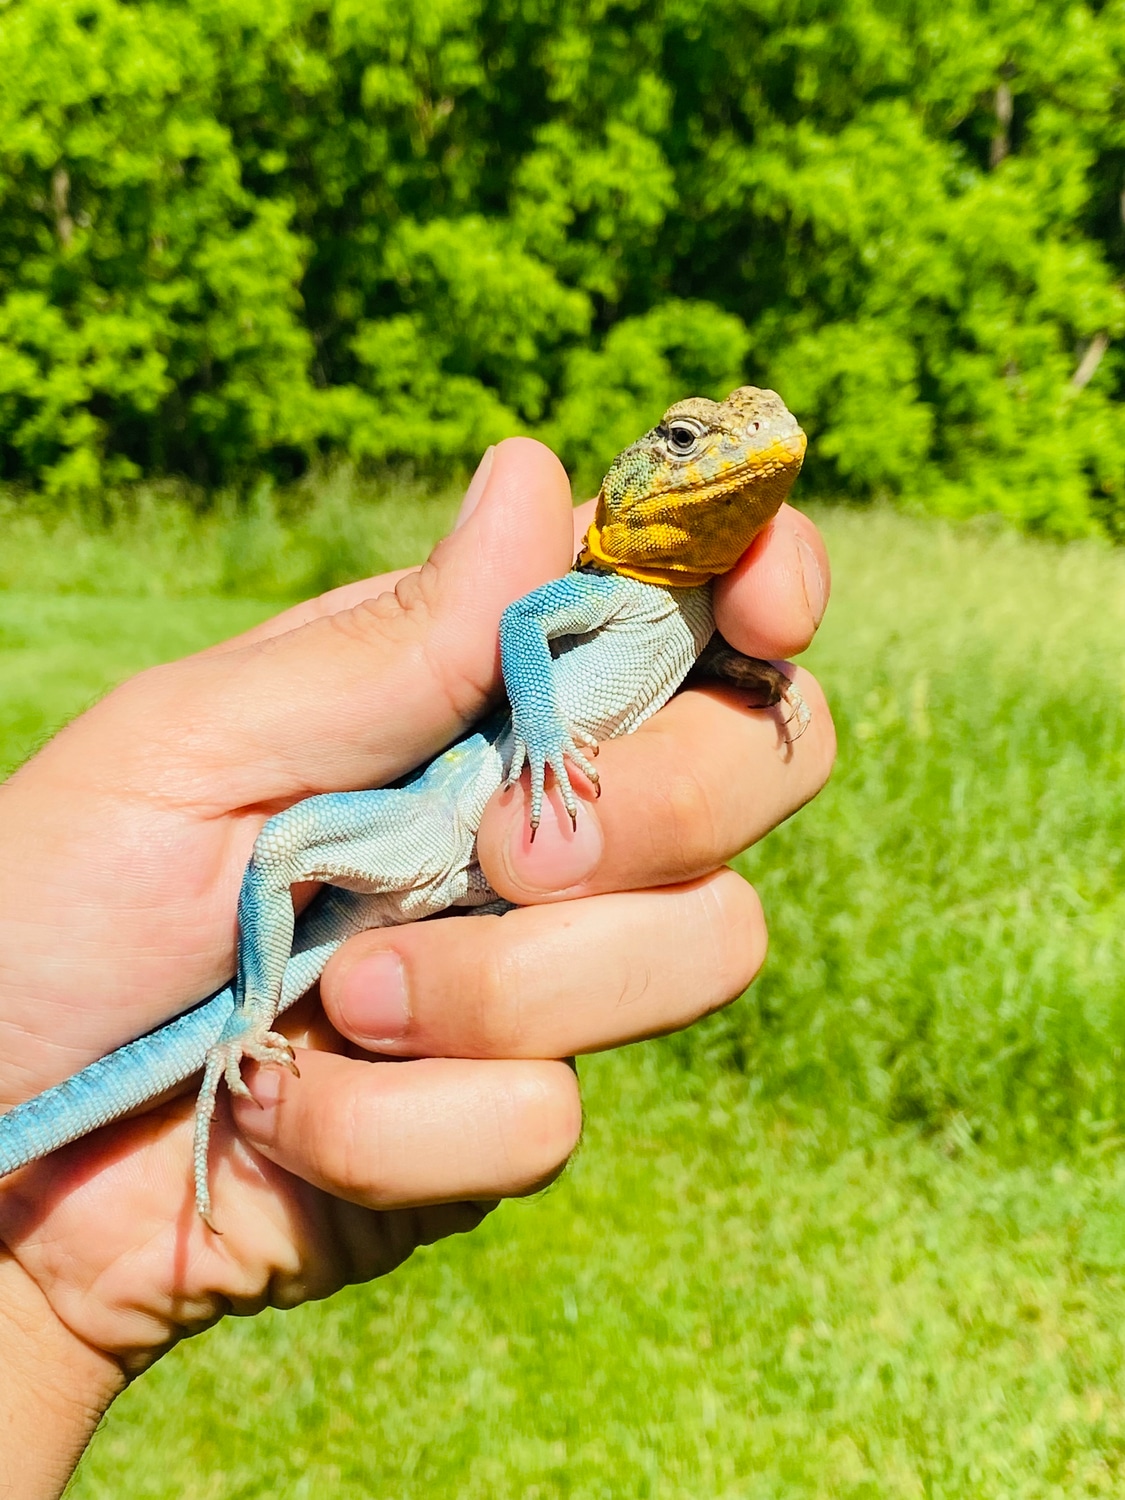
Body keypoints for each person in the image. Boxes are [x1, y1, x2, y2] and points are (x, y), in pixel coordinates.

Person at [0, 438, 834, 1498]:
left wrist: (39, 1320)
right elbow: (521, 624)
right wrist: (539, 726)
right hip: (437, 824)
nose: (724, 451)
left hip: (475, 873)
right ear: (628, 485)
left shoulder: (706, 605)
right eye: (682, 439)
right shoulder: (611, 580)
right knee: (283, 845)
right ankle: (248, 1015)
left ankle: (251, 1023)